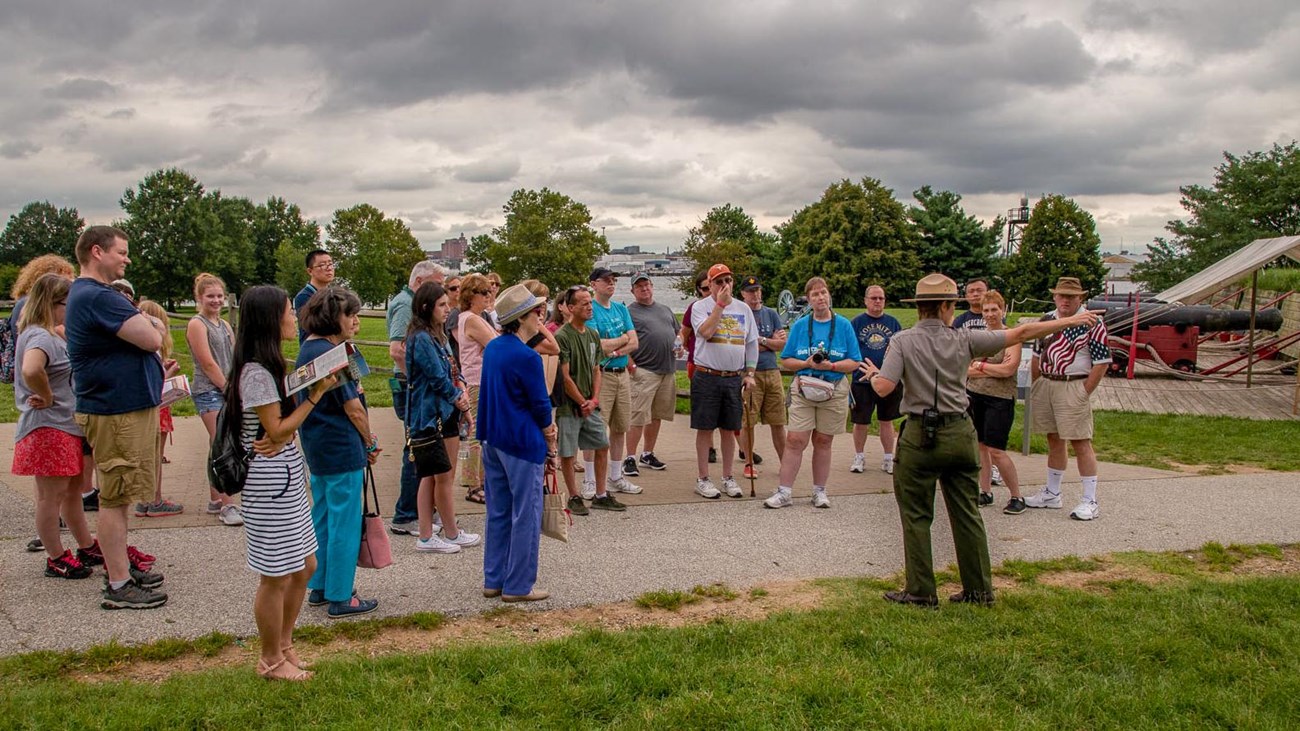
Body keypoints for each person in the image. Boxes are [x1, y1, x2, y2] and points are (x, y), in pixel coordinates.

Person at [860, 273, 1100, 607]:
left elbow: (885, 387)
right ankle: (978, 591)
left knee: (916, 515)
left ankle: (920, 591)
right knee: (967, 514)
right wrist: (1071, 320)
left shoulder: (902, 340)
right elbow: (1022, 332)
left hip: (918, 434)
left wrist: (873, 377)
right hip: (959, 430)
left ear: (919, 308)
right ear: (947, 306)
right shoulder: (966, 339)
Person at [225, 285, 335, 681]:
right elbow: (278, 429)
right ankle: (269, 659)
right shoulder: (255, 373)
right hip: (268, 482)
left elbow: (281, 433)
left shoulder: (273, 367)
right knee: (275, 574)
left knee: (305, 565)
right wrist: (316, 394)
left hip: (287, 476)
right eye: (290, 311)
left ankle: (285, 645)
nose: (295, 318)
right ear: (271, 320)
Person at [66, 225, 169, 610]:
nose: (127, 259)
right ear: (97, 251)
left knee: (120, 495)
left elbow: (147, 330)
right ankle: (119, 582)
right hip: (115, 411)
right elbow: (152, 337)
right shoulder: (98, 296)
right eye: (121, 252)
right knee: (114, 496)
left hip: (119, 409)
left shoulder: (92, 295)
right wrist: (150, 323)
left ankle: (119, 565)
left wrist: (147, 323)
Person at [296, 287, 381, 619]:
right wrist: (370, 442)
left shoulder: (309, 347)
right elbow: (353, 407)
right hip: (341, 443)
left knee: (325, 516)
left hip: (318, 444)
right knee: (345, 520)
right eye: (350, 314)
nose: (356, 320)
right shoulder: (333, 355)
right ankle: (342, 593)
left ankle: (320, 583)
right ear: (334, 317)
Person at [12, 273, 98, 579]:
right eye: (67, 304)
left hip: (64, 425)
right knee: (51, 496)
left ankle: (86, 544)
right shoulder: (40, 336)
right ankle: (56, 556)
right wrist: (46, 396)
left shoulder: (51, 333)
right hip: (48, 427)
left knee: (73, 491)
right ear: (52, 304)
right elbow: (31, 368)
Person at [478, 284, 557, 602]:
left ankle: (493, 578)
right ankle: (519, 585)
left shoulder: (495, 348)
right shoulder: (527, 357)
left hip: (493, 437)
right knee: (526, 512)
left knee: (498, 511)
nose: (540, 316)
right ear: (523, 318)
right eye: (536, 312)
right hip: (521, 441)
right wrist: (549, 433)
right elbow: (540, 404)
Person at [764, 277, 861, 509]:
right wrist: (806, 363)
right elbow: (786, 359)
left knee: (824, 440)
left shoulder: (844, 325)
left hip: (834, 386)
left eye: (823, 293)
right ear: (808, 300)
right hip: (804, 387)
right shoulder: (799, 326)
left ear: (829, 296)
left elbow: (854, 361)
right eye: (815, 294)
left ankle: (819, 491)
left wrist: (833, 366)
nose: (820, 298)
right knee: (796, 439)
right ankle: (784, 491)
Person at [1025, 276, 1112, 521]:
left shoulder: (1092, 323)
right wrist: (1037, 381)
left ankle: (1089, 499)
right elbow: (1036, 353)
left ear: (1080, 298)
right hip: (1047, 381)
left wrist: (1084, 391)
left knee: (1080, 441)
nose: (1065, 300)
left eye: (1071, 296)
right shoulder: (1047, 320)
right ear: (1055, 296)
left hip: (1073, 383)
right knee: (1053, 438)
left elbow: (1102, 362)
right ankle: (1052, 493)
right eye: (1061, 295)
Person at [406, 281, 479, 554]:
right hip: (432, 414)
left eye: (447, 304)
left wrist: (461, 398)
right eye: (442, 305)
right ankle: (448, 532)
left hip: (445, 411)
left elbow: (453, 369)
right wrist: (459, 399)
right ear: (426, 308)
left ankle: (430, 534)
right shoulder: (422, 338)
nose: (447, 309)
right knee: (441, 476)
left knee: (434, 476)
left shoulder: (438, 335)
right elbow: (437, 377)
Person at [386, 261, 446, 536]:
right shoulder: (404, 305)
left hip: (417, 387)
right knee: (415, 449)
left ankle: (417, 511)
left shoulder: (413, 305)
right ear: (420, 283)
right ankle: (406, 513)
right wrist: (420, 376)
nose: (442, 290)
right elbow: (397, 349)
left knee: (420, 448)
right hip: (411, 388)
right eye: (438, 284)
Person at [689, 264, 758, 499]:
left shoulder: (743, 309)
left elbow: (751, 342)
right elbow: (706, 332)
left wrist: (750, 373)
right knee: (705, 427)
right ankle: (703, 478)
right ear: (709, 284)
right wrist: (719, 305)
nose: (724, 285)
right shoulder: (700, 307)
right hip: (707, 374)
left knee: (730, 429)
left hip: (732, 376)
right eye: (718, 281)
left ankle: (728, 476)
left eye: (727, 280)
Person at [555, 285, 625, 513]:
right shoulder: (563, 336)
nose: (589, 307)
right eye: (583, 303)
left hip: (590, 405)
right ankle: (574, 495)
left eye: (589, 302)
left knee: (601, 445)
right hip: (569, 407)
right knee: (568, 452)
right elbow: (565, 376)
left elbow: (597, 368)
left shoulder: (593, 334)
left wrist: (594, 400)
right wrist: (580, 401)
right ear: (571, 307)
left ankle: (601, 493)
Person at [964, 290, 1026, 514]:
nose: (990, 314)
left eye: (994, 310)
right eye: (986, 310)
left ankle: (1016, 496)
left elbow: (1008, 369)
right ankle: (985, 490)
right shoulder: (978, 337)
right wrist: (987, 369)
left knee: (996, 450)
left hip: (1000, 399)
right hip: (975, 395)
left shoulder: (1011, 337)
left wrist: (980, 366)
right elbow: (965, 369)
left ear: (1003, 310)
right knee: (980, 446)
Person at [186, 273, 241, 523]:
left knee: (216, 443)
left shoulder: (224, 324)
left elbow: (233, 355)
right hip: (209, 389)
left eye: (220, 296)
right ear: (199, 298)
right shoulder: (197, 324)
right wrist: (226, 387)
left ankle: (216, 497)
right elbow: (207, 362)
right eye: (211, 296)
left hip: (226, 386)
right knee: (222, 443)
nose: (216, 300)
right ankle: (227, 504)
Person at [587, 268, 641, 494]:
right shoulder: (591, 310)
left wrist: (618, 349)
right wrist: (621, 340)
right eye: (606, 280)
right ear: (593, 284)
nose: (611, 283)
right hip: (602, 374)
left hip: (622, 374)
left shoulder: (621, 308)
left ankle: (616, 476)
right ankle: (590, 480)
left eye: (614, 280)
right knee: (596, 429)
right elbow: (596, 344)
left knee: (620, 427)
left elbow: (635, 342)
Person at [624, 272, 678, 475]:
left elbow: (678, 332)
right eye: (639, 287)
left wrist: (678, 345)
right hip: (644, 371)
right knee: (638, 416)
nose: (644, 289)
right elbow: (623, 341)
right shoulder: (629, 312)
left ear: (652, 286)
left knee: (657, 415)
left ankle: (647, 453)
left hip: (667, 371)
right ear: (633, 291)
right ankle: (629, 456)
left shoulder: (665, 309)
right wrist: (632, 366)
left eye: (647, 285)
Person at [135, 299, 185, 519]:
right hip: (157, 404)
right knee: (155, 455)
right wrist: (169, 373)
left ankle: (143, 500)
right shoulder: (151, 349)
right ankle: (154, 500)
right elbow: (153, 382)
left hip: (142, 406)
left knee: (146, 454)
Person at [849, 284, 903, 475]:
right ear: (865, 300)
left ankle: (889, 457)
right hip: (862, 380)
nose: (878, 301)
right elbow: (851, 349)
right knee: (861, 421)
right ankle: (859, 456)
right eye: (874, 298)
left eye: (881, 298)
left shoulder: (893, 323)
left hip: (888, 379)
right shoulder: (856, 323)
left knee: (886, 420)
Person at [737, 275, 786, 479]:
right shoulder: (740, 314)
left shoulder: (771, 314)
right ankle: (748, 463)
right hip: (750, 372)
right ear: (743, 294)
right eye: (750, 291)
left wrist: (762, 340)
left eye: (757, 290)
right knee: (748, 419)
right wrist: (767, 343)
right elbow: (744, 344)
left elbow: (782, 343)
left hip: (772, 371)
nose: (755, 294)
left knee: (778, 420)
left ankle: (785, 463)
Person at [457, 273, 496, 505]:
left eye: (490, 292)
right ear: (471, 296)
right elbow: (494, 343)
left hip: (481, 379)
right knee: (474, 434)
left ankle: (479, 480)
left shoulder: (477, 317)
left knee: (481, 434)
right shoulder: (471, 318)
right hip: (476, 381)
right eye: (484, 293)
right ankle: (473, 484)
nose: (489, 296)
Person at [294, 249, 335, 342]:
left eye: (330, 264)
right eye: (322, 265)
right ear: (310, 271)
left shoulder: (332, 294)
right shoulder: (304, 297)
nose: (328, 268)